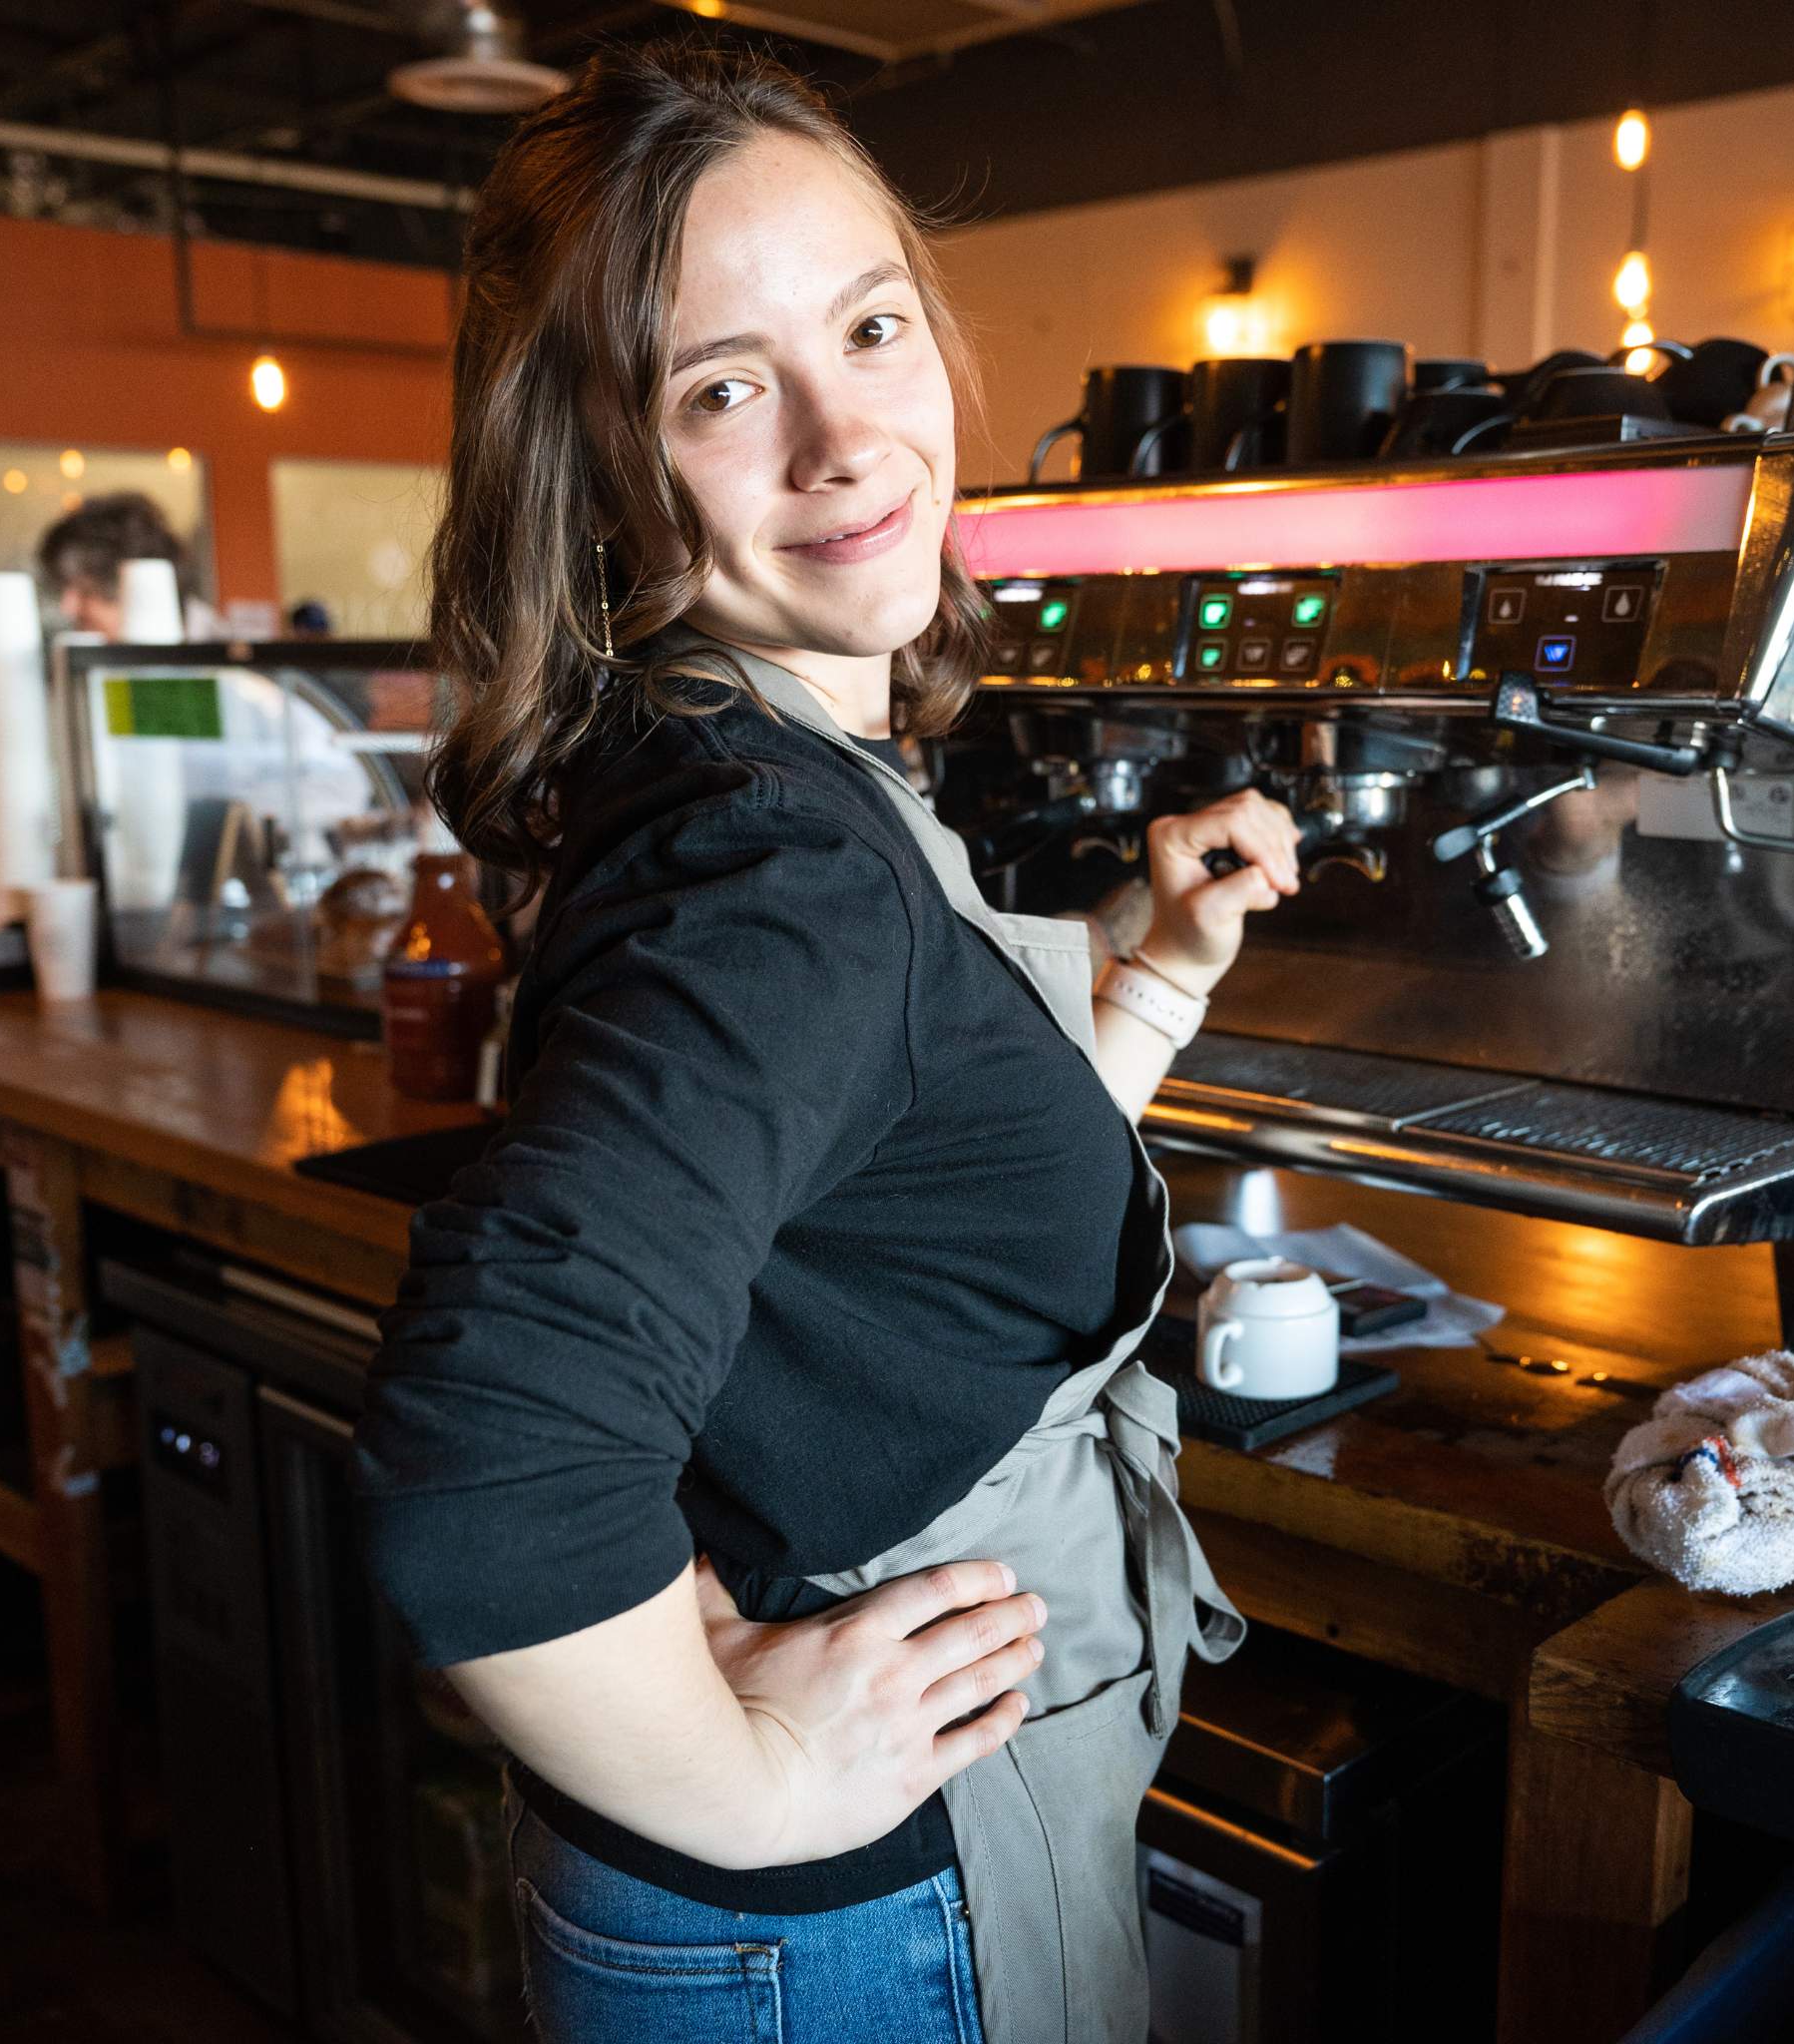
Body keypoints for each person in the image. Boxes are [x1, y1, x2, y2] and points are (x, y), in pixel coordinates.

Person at [351, 40, 1302, 2044]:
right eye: (720, 389)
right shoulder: (776, 867)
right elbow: (491, 1457)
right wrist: (756, 1783)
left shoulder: (741, 749)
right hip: (849, 1921)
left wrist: (1156, 981)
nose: (847, 441)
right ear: (600, 471)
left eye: (870, 329)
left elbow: (890, 1240)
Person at [35, 490, 221, 639]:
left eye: (85, 591)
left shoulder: (231, 667)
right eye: (62, 589)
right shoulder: (83, 669)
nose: (67, 608)